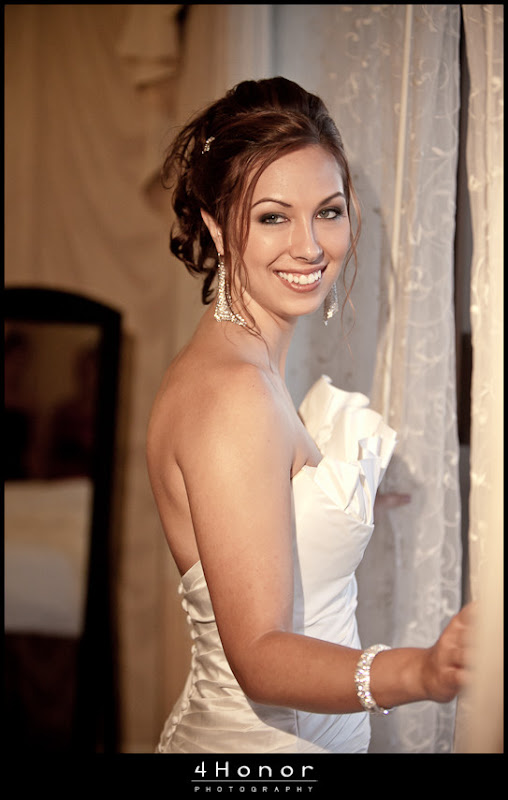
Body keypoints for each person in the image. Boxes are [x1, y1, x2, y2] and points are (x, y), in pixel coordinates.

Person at [147, 77, 472, 754]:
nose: (310, 246)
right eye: (273, 217)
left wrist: (337, 505)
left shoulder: (241, 370)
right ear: (215, 224)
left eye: (328, 211)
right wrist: (420, 672)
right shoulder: (234, 394)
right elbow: (260, 656)